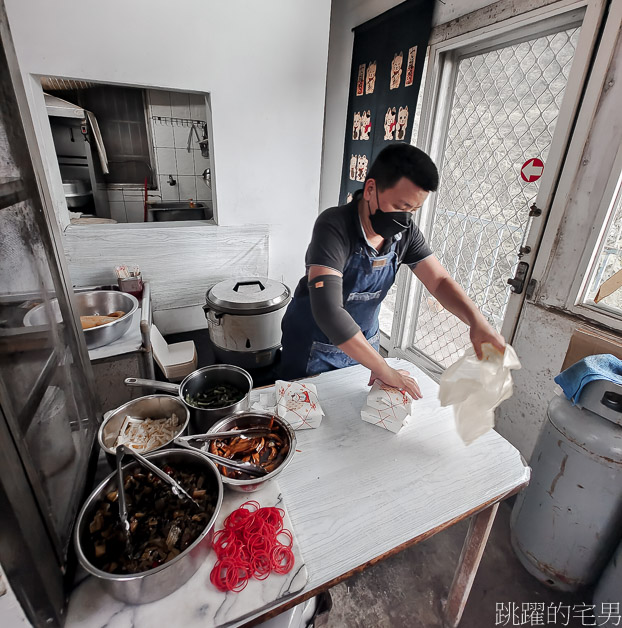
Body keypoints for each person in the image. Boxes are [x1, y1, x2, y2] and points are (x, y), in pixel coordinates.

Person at [280, 143, 505, 400]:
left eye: (413, 210)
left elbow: (439, 280)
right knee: (303, 414)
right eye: (401, 206)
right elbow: (328, 311)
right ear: (371, 189)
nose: (405, 218)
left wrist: (477, 322)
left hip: (364, 344)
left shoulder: (404, 234)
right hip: (314, 348)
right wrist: (383, 367)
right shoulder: (334, 226)